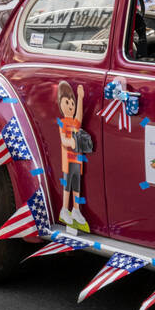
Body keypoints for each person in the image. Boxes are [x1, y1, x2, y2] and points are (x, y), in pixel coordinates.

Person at [56, 81, 89, 232]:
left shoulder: (74, 123)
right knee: (67, 186)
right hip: (67, 160)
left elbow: (80, 117)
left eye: (72, 102)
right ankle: (64, 209)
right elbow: (63, 140)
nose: (70, 105)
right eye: (67, 102)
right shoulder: (63, 123)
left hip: (77, 160)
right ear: (60, 104)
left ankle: (76, 209)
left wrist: (80, 98)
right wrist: (72, 142)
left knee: (77, 186)